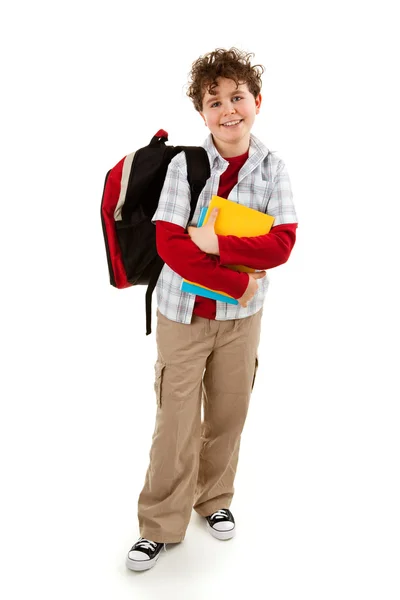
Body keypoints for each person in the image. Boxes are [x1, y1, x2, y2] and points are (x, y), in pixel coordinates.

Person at [126, 47, 298, 572]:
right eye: (214, 100)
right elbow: (170, 245)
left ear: (257, 102)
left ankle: (214, 499)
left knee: (228, 414)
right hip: (183, 315)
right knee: (175, 421)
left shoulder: (273, 169)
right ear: (202, 113)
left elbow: (282, 244)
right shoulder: (185, 164)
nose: (228, 109)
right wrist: (233, 279)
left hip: (240, 323)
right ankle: (160, 523)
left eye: (237, 97)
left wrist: (215, 242)